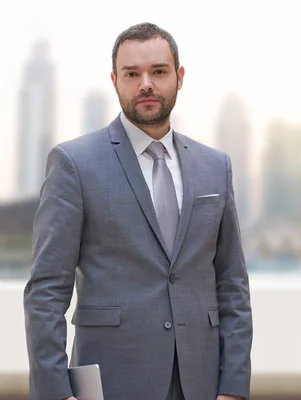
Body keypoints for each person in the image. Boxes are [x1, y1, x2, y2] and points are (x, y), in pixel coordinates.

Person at [23, 22, 252, 400]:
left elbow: (232, 286)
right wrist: (55, 393)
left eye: (158, 72)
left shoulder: (216, 166)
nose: (145, 83)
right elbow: (47, 290)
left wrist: (234, 387)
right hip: (113, 379)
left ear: (179, 78)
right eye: (132, 74)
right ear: (115, 81)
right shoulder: (74, 163)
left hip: (202, 382)